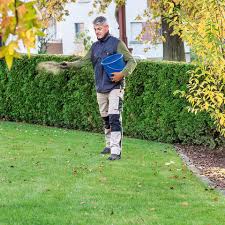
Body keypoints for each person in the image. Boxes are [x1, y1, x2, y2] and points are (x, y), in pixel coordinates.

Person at [60, 16, 137, 160]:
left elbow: (132, 61)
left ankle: (116, 151)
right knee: (106, 119)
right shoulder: (95, 47)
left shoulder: (117, 44)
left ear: (107, 28)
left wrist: (122, 74)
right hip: (100, 88)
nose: (97, 31)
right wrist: (68, 65)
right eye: (95, 29)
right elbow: (83, 62)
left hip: (115, 87)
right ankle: (108, 145)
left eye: (99, 28)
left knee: (114, 118)